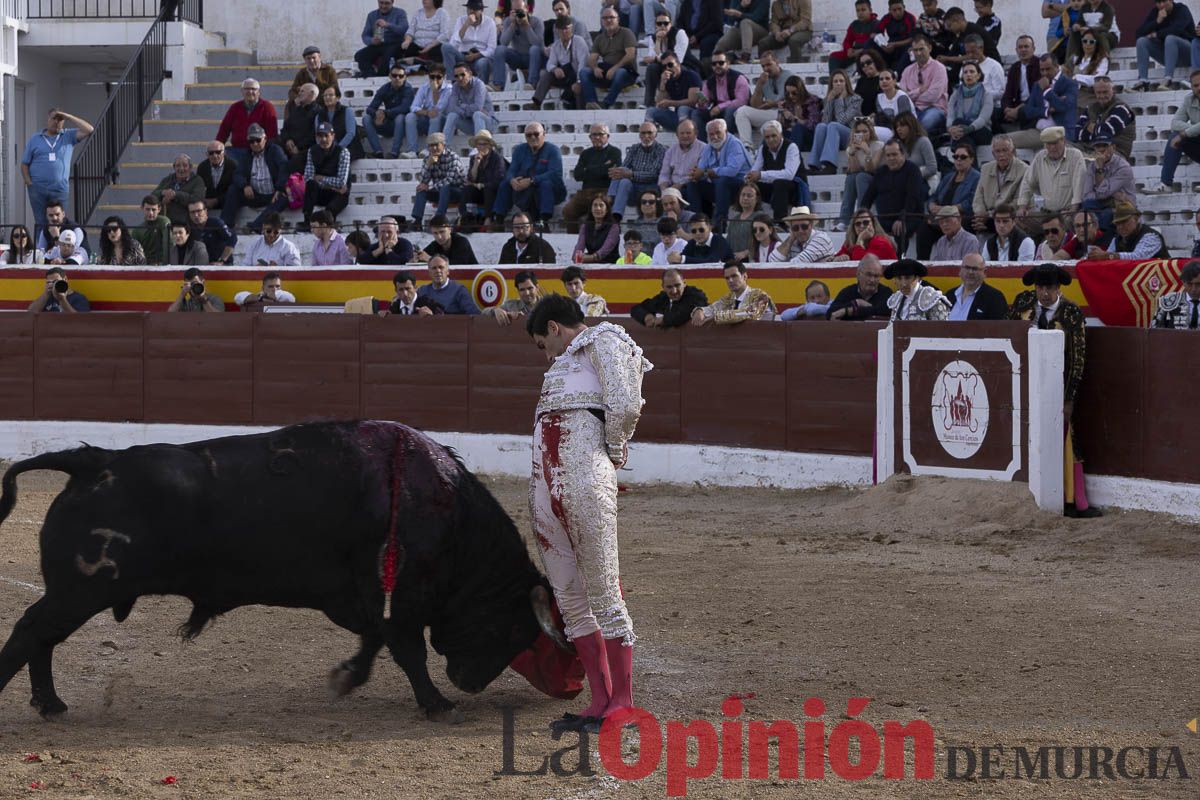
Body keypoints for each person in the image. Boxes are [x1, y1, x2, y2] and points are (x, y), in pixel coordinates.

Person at [525, 293, 650, 735]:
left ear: (555, 328)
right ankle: (599, 699)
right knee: (571, 596)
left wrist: (613, 450)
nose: (546, 353)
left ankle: (623, 701)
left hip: (583, 473)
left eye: (544, 342)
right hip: (545, 480)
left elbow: (627, 403)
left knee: (603, 589)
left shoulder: (604, 339)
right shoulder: (561, 367)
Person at [1010, 263, 1098, 517]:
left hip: (1057, 386)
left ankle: (1074, 499)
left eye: (1049, 288)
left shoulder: (1070, 312)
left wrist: (1069, 399)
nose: (1044, 293)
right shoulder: (1023, 303)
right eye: (1040, 287)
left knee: (1067, 438)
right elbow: (1008, 334)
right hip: (1023, 381)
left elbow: (1078, 358)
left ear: (1058, 288)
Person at [21, 108, 93, 227]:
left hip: (59, 189)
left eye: (60, 119)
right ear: (48, 120)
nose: (56, 122)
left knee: (60, 222)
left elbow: (89, 129)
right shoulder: (35, 138)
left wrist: (68, 116)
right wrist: (29, 183)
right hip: (37, 189)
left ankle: (59, 245)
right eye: (54, 118)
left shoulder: (68, 135)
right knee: (41, 223)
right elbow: (24, 164)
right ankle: (42, 246)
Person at [915, 141, 980, 259]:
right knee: (923, 228)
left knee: (960, 224)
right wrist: (931, 205)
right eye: (955, 157)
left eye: (963, 157)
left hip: (961, 217)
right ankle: (921, 264)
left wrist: (948, 210)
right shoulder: (949, 176)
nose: (958, 160)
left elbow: (972, 202)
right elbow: (935, 195)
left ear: (971, 159)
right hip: (941, 216)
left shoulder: (977, 177)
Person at [491, 122, 565, 225]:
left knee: (545, 184)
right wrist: (512, 180)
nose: (533, 137)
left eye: (536, 134)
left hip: (550, 190)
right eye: (529, 135)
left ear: (544, 134)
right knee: (505, 184)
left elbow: (555, 173)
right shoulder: (519, 150)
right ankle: (498, 220)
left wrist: (532, 181)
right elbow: (511, 170)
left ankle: (543, 221)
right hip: (524, 187)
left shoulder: (553, 150)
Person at [861, 139, 926, 255]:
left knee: (899, 229)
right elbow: (868, 197)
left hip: (910, 217)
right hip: (885, 218)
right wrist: (862, 217)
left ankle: (899, 262)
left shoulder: (913, 170)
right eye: (888, 155)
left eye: (894, 154)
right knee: (861, 227)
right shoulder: (881, 172)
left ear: (903, 154)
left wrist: (902, 218)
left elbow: (913, 198)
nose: (891, 158)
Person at [222, 125, 290, 232]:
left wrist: (280, 188)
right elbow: (237, 174)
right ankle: (225, 226)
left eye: (258, 140)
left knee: (284, 198)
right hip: (254, 194)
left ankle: (256, 225)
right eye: (251, 141)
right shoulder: (246, 155)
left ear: (265, 139)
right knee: (233, 190)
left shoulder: (275, 151)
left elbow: (284, 168)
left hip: (273, 194)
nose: (255, 144)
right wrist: (245, 185)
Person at [685, 119, 750, 226]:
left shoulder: (734, 144)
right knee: (693, 184)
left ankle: (720, 224)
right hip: (720, 189)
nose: (715, 137)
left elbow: (731, 171)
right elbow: (701, 169)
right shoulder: (708, 147)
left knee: (722, 180)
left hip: (741, 188)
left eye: (718, 132)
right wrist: (695, 175)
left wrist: (705, 172)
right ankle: (697, 221)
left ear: (726, 131)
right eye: (711, 134)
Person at [1007, 55, 1078, 151]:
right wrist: (1046, 111)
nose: (1045, 73)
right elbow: (1028, 111)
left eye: (1048, 69)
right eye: (1042, 70)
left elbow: (1063, 107)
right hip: (1039, 132)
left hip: (1059, 133)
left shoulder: (1070, 83)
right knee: (1004, 140)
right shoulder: (1037, 85)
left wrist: (1047, 90)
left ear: (1057, 66)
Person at [1148, 70, 1200, 194]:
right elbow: (1175, 123)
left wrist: (1185, 133)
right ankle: (1166, 184)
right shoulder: (1189, 99)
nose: (1199, 88)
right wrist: (1193, 130)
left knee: (1180, 135)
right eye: (1196, 85)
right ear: (1191, 87)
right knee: (1174, 137)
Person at [746, 120, 805, 221]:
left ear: (781, 135)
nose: (771, 140)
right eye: (767, 137)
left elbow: (789, 174)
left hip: (794, 188)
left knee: (780, 183)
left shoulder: (791, 147)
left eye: (774, 136)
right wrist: (749, 177)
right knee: (750, 185)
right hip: (774, 187)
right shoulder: (763, 149)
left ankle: (780, 222)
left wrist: (761, 175)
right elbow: (755, 169)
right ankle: (750, 218)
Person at [564, 124, 622, 226]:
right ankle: (574, 238)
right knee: (568, 211)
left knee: (596, 215)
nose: (597, 137)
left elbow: (611, 173)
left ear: (607, 136)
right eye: (594, 135)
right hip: (586, 192)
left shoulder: (615, 152)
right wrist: (602, 167)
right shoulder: (585, 153)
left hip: (605, 191)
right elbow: (577, 175)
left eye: (600, 134)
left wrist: (588, 169)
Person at [579, 7, 637, 110]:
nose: (608, 20)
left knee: (620, 72)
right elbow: (592, 59)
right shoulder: (599, 38)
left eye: (611, 17)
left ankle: (606, 103)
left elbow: (630, 55)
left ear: (618, 19)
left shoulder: (626, 33)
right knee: (584, 72)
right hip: (607, 73)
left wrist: (615, 68)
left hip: (626, 73)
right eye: (605, 18)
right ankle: (592, 103)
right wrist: (595, 68)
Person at [608, 123, 667, 222]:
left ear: (656, 135)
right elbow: (624, 168)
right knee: (622, 174)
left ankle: (610, 198)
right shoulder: (634, 148)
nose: (646, 136)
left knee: (624, 173)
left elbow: (653, 174)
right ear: (639, 135)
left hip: (651, 189)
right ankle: (616, 215)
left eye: (649, 133)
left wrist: (632, 174)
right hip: (634, 189)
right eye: (643, 133)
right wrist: (619, 171)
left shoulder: (661, 150)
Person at [1132, 0, 1195, 92]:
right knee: (1142, 41)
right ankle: (1143, 81)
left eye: (1164, 1)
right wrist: (1157, 21)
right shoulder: (1155, 12)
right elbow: (1138, 33)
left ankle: (1168, 79)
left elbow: (1176, 29)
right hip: (1169, 56)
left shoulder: (1182, 9)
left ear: (1171, 0)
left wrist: (1156, 34)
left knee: (1170, 38)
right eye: (1158, 2)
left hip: (1188, 54)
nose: (1161, 5)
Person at [971, 134, 1027, 235]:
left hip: (1008, 216)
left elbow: (1018, 201)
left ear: (1012, 151)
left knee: (991, 225)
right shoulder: (986, 168)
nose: (1001, 154)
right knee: (967, 223)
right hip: (987, 216)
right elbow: (978, 197)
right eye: (998, 151)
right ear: (993, 154)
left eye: (1005, 150)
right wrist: (980, 213)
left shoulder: (1024, 169)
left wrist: (989, 215)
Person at [806, 70, 860, 174]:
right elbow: (825, 122)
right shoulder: (829, 99)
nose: (838, 83)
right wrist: (829, 102)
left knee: (834, 125)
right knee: (821, 126)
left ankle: (830, 165)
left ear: (846, 83)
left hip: (851, 137)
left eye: (841, 81)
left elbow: (842, 120)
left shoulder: (855, 99)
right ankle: (814, 165)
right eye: (835, 81)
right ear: (831, 84)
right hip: (833, 139)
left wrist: (839, 100)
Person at [734, 51, 792, 145]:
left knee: (742, 111)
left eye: (769, 65)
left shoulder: (789, 76)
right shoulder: (764, 79)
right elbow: (755, 105)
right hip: (771, 114)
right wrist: (759, 84)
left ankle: (748, 146)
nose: (766, 69)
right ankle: (747, 147)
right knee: (741, 112)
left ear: (777, 62)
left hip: (785, 114)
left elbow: (794, 99)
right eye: (763, 66)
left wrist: (773, 104)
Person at [216, 79, 278, 167]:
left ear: (259, 92)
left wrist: (263, 150)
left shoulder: (267, 107)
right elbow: (224, 130)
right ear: (242, 91)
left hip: (259, 150)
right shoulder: (235, 108)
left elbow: (272, 134)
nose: (250, 91)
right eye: (247, 89)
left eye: (253, 89)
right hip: (237, 150)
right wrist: (217, 148)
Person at [690, 261, 776, 324]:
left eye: (734, 276)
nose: (730, 281)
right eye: (727, 278)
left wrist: (717, 317)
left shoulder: (761, 297)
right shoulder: (728, 298)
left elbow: (748, 313)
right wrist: (700, 311)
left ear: (745, 276)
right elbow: (713, 308)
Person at [531, 16, 589, 110]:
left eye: (566, 28)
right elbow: (550, 64)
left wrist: (579, 82)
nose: (564, 32)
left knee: (578, 87)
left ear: (571, 28)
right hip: (565, 77)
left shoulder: (579, 42)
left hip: (579, 76)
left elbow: (583, 64)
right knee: (547, 75)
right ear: (557, 30)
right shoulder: (556, 45)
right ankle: (536, 103)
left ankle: (581, 112)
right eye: (561, 29)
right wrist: (555, 69)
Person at [302, 122, 352, 227]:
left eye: (326, 135)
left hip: (339, 194)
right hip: (324, 192)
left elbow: (341, 182)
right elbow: (308, 177)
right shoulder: (312, 151)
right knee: (311, 185)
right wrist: (331, 186)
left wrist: (321, 178)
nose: (323, 139)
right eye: (320, 136)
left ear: (333, 136)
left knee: (329, 212)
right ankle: (306, 222)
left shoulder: (343, 152)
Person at [837, 117, 884, 229]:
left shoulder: (879, 145)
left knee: (861, 176)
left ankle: (861, 216)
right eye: (858, 132)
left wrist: (867, 152)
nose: (861, 134)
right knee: (851, 178)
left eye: (864, 131)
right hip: (860, 177)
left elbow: (871, 169)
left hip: (876, 178)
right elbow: (854, 170)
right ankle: (844, 220)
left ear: (870, 131)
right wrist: (853, 154)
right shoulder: (851, 148)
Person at [1081, 135, 1134, 232]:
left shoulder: (1123, 167)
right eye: (1098, 147)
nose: (1101, 150)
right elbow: (1087, 195)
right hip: (1103, 203)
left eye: (1104, 146)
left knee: (1107, 215)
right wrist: (1113, 194)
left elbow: (1102, 193)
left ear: (1113, 148)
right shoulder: (1092, 166)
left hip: (1122, 205)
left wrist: (1099, 169)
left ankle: (1103, 242)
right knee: (1086, 207)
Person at [411, 132, 466, 224]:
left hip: (456, 192)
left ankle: (439, 218)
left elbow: (450, 180)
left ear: (443, 145)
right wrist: (429, 165)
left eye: (436, 145)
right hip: (439, 192)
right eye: (431, 146)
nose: (434, 148)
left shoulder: (453, 157)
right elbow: (423, 182)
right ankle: (417, 220)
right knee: (421, 190)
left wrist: (432, 187)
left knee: (445, 187)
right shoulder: (428, 159)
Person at [1074, 76, 1134, 161]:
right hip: (1090, 149)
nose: (1102, 96)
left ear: (1113, 90)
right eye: (1099, 93)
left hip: (1115, 152)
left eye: (1105, 92)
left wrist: (1092, 130)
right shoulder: (1090, 108)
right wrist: (1098, 131)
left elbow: (1108, 131)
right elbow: (1077, 133)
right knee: (1064, 146)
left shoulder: (1121, 108)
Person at [898, 35, 948, 136]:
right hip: (912, 110)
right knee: (899, 126)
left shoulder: (939, 68)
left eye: (921, 49)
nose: (918, 53)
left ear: (929, 48)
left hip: (935, 108)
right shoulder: (907, 70)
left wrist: (911, 95)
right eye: (915, 50)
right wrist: (919, 91)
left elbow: (933, 96)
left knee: (921, 126)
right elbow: (902, 96)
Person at [363, 68, 417, 159]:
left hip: (402, 127)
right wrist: (377, 113)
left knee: (400, 117)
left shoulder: (408, 89)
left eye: (401, 76)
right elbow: (370, 108)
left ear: (405, 77)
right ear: (390, 76)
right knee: (366, 118)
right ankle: (378, 152)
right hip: (387, 123)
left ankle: (394, 152)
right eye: (394, 75)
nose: (397, 78)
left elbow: (404, 108)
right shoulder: (385, 88)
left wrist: (385, 113)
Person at [1088, 202, 1169, 261]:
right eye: (1117, 223)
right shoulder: (1117, 239)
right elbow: (1107, 256)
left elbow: (1137, 257)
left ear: (1136, 219)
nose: (1120, 226)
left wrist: (1107, 256)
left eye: (1124, 222)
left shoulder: (1151, 236)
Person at [645, 52, 703, 133]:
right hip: (678, 118)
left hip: (693, 118)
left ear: (678, 63)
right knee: (651, 111)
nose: (667, 68)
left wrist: (671, 103)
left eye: (670, 65)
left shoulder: (691, 75)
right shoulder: (668, 79)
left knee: (683, 108)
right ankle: (648, 137)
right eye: (664, 66)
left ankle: (685, 135)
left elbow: (692, 101)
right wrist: (663, 83)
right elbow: (660, 103)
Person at [492, 0, 544, 90]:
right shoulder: (508, 21)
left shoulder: (536, 21)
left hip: (532, 58)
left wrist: (526, 25)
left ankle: (532, 84)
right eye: (515, 11)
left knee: (534, 49)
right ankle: (498, 84)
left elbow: (537, 44)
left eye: (520, 11)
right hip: (517, 57)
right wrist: (512, 25)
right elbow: (504, 42)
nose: (517, 14)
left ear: (527, 9)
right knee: (500, 49)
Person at [631, 269, 708, 328]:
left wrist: (664, 320)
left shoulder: (695, 295)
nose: (674, 291)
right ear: (663, 287)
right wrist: (646, 317)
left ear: (684, 283)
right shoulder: (663, 297)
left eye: (677, 285)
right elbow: (636, 308)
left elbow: (685, 312)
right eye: (669, 287)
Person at [443, 0, 497, 83]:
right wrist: (466, 25)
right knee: (446, 47)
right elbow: (453, 44)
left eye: (475, 9)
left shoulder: (490, 23)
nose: (471, 11)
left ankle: (481, 88)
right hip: (463, 56)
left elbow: (492, 49)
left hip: (480, 57)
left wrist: (476, 56)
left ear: (481, 11)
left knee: (483, 63)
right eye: (469, 9)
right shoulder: (461, 20)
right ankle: (452, 83)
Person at [461, 129, 507, 226]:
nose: (481, 147)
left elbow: (498, 179)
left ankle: (488, 218)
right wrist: (476, 165)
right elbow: (470, 180)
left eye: (484, 144)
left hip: (493, 192)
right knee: (465, 189)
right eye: (479, 144)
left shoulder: (497, 158)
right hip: (478, 191)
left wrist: (481, 185)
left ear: (490, 145)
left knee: (488, 188)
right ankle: (465, 218)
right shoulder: (473, 158)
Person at [442, 61, 497, 141]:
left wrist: (462, 106)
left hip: (488, 124)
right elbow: (452, 108)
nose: (460, 78)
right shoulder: (455, 86)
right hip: (471, 124)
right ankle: (443, 147)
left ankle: (479, 147)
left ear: (470, 73)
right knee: (452, 115)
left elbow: (477, 107)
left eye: (462, 75)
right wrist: (467, 110)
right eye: (456, 76)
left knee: (477, 114)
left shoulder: (479, 84)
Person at [827, 253, 892, 320]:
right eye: (868, 275)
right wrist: (855, 303)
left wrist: (849, 311)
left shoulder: (886, 293)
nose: (872, 280)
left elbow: (885, 310)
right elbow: (830, 314)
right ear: (858, 274)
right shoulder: (848, 292)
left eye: (876, 276)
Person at [947, 252, 1009, 320]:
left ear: (984, 272)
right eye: (967, 268)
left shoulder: (995, 298)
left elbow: (1000, 328)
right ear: (960, 270)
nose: (970, 272)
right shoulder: (949, 295)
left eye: (975, 269)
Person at [405, 65, 450, 158]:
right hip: (427, 118)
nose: (435, 80)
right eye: (432, 77)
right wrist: (426, 112)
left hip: (443, 121)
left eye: (438, 77)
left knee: (435, 117)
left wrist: (435, 92)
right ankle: (412, 151)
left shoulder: (449, 89)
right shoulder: (424, 87)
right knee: (410, 116)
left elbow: (438, 109)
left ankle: (429, 149)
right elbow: (413, 107)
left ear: (444, 77)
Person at [356, 0, 410, 78]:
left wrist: (387, 25)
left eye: (387, 3)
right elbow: (365, 35)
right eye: (381, 3)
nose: (384, 6)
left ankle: (381, 78)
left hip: (395, 44)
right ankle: (370, 75)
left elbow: (404, 29)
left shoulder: (400, 13)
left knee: (388, 57)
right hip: (378, 44)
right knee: (359, 55)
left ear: (392, 2)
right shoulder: (372, 15)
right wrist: (372, 41)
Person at [885, 258, 950, 322]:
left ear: (917, 278)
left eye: (908, 278)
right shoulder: (897, 300)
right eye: (899, 278)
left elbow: (942, 329)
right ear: (895, 280)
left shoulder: (932, 299)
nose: (903, 284)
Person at [946, 60, 993, 147]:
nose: (968, 74)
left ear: (978, 75)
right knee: (966, 140)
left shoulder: (986, 94)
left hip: (981, 131)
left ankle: (955, 150)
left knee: (958, 122)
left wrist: (969, 128)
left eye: (972, 71)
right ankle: (965, 157)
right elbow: (950, 115)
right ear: (962, 76)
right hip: (961, 133)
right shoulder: (955, 94)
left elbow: (983, 118)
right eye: (965, 72)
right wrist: (950, 128)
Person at [1000, 35, 1040, 133]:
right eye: (1020, 47)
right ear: (1016, 50)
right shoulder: (1014, 68)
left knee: (1024, 112)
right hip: (1016, 104)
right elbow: (1007, 94)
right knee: (994, 113)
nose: (1023, 50)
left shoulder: (1040, 65)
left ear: (1033, 49)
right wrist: (1007, 109)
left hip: (1034, 104)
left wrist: (1017, 110)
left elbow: (1037, 94)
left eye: (1026, 47)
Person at [394, 0, 451, 67]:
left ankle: (433, 72)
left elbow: (445, 34)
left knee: (437, 51)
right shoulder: (418, 13)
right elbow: (410, 31)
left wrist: (429, 46)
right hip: (417, 44)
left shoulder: (442, 13)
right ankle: (401, 72)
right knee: (400, 49)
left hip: (434, 45)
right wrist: (407, 41)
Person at [280, 83, 321, 173]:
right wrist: (287, 140)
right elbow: (285, 128)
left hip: (306, 149)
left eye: (302, 91)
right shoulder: (296, 110)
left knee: (296, 160)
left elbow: (314, 135)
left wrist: (298, 147)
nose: (299, 94)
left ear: (312, 94)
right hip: (289, 146)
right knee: (274, 150)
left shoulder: (319, 112)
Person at [154, 154, 206, 225]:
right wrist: (163, 192)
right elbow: (153, 195)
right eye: (178, 166)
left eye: (185, 166)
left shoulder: (197, 181)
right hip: (167, 220)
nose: (181, 169)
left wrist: (175, 194)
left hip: (187, 222)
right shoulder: (167, 179)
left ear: (190, 167)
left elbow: (197, 199)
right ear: (174, 167)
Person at [830, 0, 879, 74]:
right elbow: (847, 41)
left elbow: (877, 45)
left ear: (870, 10)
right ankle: (835, 78)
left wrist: (860, 51)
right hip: (854, 53)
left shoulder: (876, 24)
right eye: (858, 10)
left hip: (869, 52)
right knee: (834, 56)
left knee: (868, 56)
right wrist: (848, 49)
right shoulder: (854, 25)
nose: (860, 13)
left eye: (863, 10)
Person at [831, 208, 897, 261]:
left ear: (873, 224)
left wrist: (860, 240)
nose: (862, 226)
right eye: (858, 224)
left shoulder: (880, 241)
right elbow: (838, 256)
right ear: (853, 228)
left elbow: (861, 264)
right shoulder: (850, 242)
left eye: (866, 222)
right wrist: (838, 258)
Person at [187, 200, 237, 265]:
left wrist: (222, 261)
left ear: (205, 211)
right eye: (192, 212)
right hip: (202, 266)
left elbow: (232, 238)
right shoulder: (190, 227)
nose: (196, 215)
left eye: (199, 211)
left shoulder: (215, 222)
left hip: (222, 267)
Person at [1152, 261, 1200, 329]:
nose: (1194, 289)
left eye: (1198, 284)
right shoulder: (1169, 300)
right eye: (1189, 284)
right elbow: (1155, 330)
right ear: (1183, 282)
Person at [658, 119, 704, 191]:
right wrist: (664, 189)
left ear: (696, 134)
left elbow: (698, 174)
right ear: (677, 135)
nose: (685, 136)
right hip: (672, 187)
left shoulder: (704, 149)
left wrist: (680, 184)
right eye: (682, 133)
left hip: (692, 186)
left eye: (688, 133)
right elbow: (664, 174)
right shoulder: (671, 151)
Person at [572, 196, 620, 264]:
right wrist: (576, 256)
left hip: (610, 264)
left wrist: (588, 258)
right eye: (595, 205)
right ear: (591, 209)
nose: (598, 208)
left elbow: (605, 250)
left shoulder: (614, 227)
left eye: (601, 205)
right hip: (591, 263)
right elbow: (579, 246)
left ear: (606, 210)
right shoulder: (585, 226)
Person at [198, 140, 238, 212]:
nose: (215, 155)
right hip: (208, 203)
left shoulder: (233, 166)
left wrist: (217, 200)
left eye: (218, 152)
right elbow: (199, 187)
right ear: (207, 154)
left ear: (224, 153)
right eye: (211, 153)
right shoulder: (202, 167)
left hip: (227, 202)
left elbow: (235, 189)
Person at [131, 195, 170, 265]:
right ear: (142, 208)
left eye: (153, 209)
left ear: (159, 209)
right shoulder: (137, 231)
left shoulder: (163, 221)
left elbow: (168, 243)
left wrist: (165, 264)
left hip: (162, 264)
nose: (151, 213)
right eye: (147, 209)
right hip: (145, 266)